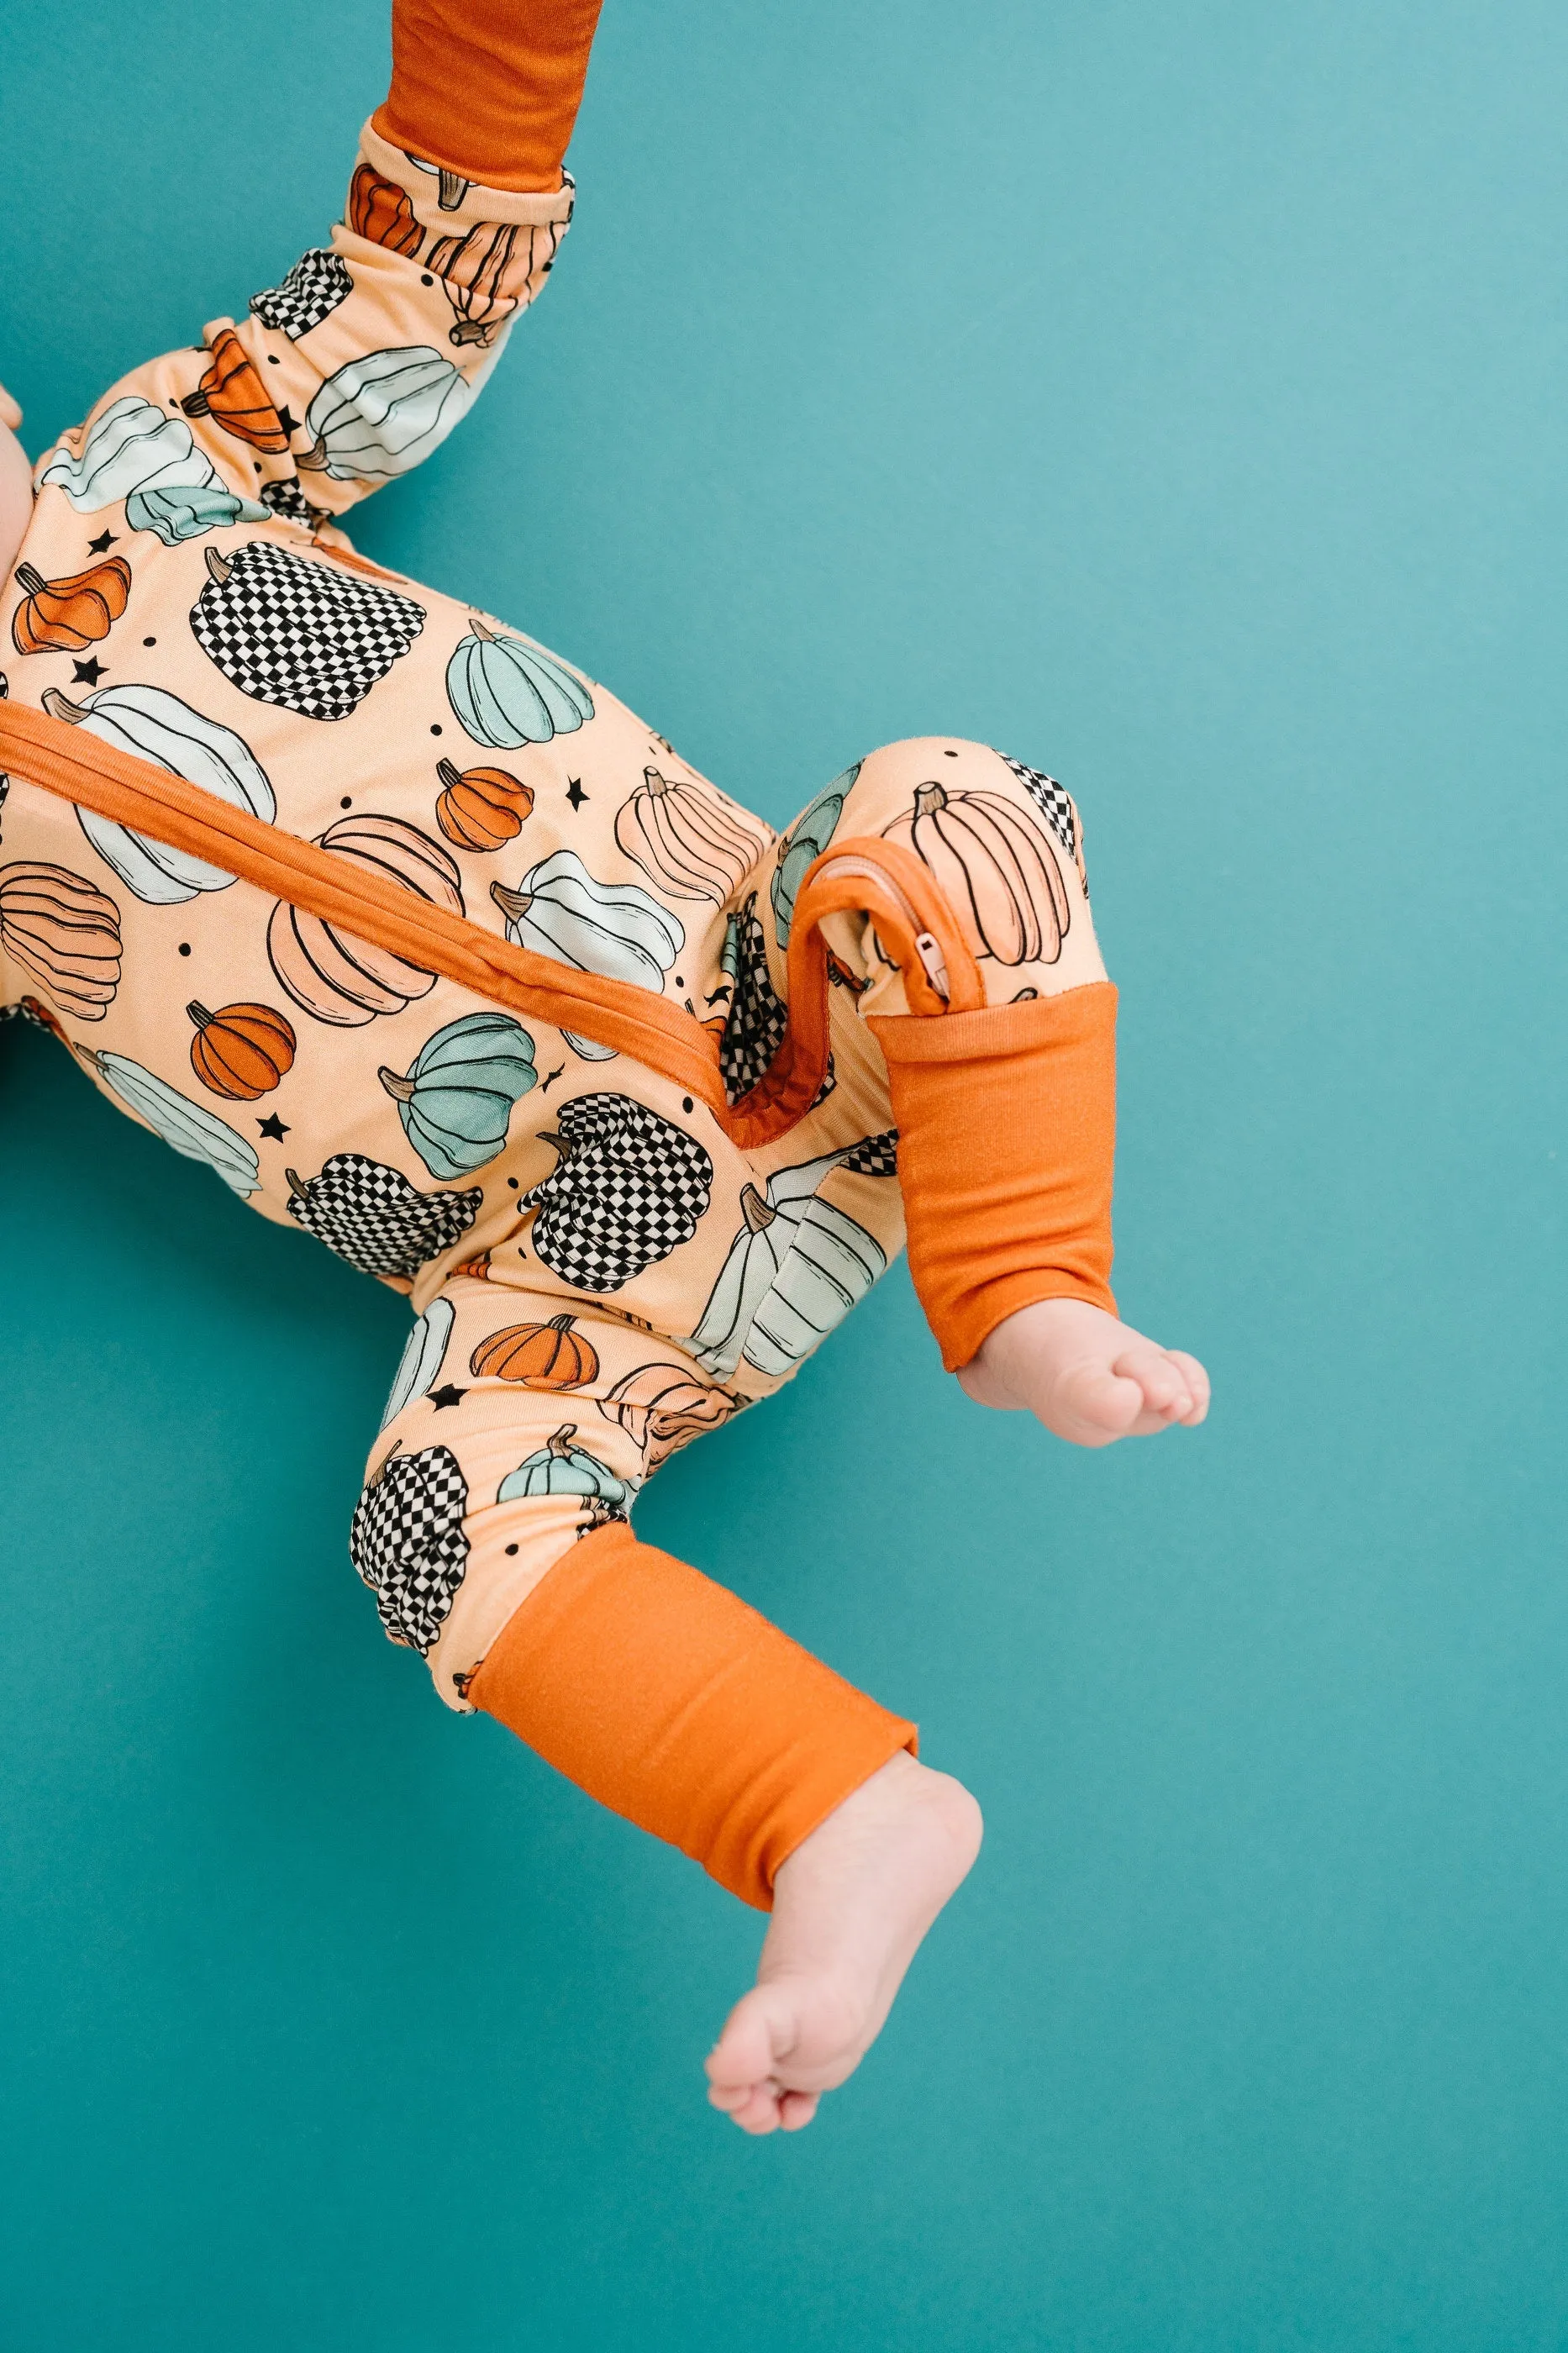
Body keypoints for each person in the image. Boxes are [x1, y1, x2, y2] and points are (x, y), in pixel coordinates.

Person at [0, 0, 1208, 2135]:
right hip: (566, 1271)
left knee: (957, 803)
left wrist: (493, 37)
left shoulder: (166, 457)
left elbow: (418, 275)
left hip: (794, 1022)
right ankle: (838, 1817)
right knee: (434, 1525)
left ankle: (1020, 1279)